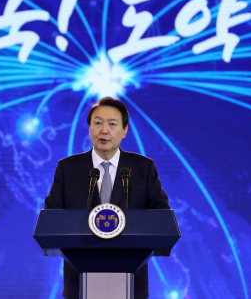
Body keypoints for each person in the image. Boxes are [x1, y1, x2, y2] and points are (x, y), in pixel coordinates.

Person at [44, 96, 170, 299]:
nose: (104, 130)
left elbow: (161, 217)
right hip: (79, 284)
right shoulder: (67, 168)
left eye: (112, 124)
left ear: (124, 130)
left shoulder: (143, 168)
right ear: (89, 128)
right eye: (98, 123)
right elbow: (52, 218)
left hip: (132, 284)